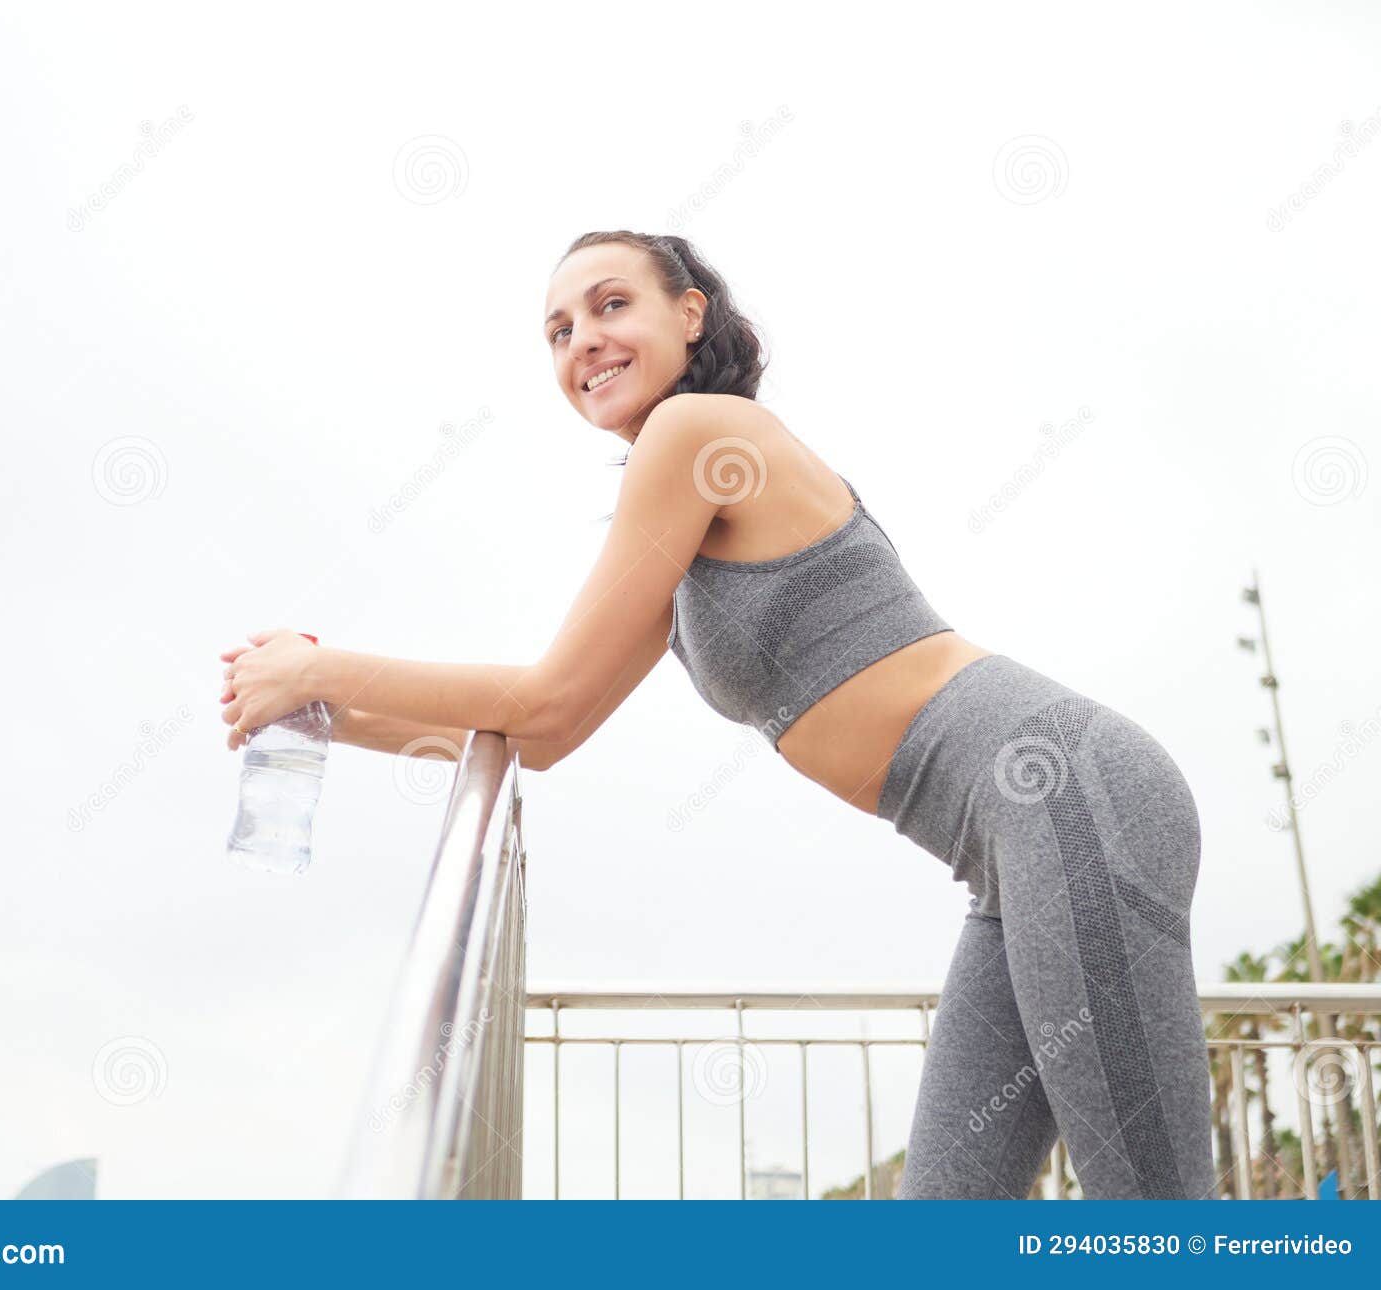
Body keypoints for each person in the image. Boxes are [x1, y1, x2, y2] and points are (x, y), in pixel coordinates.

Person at [218, 230, 1217, 1200]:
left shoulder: (695, 435)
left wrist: (320, 664)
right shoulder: (686, 498)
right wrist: (318, 708)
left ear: (688, 315)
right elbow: (550, 734)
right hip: (1008, 854)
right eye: (558, 330)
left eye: (612, 305)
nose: (584, 343)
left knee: (1160, 1224)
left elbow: (545, 695)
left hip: (1068, 797)